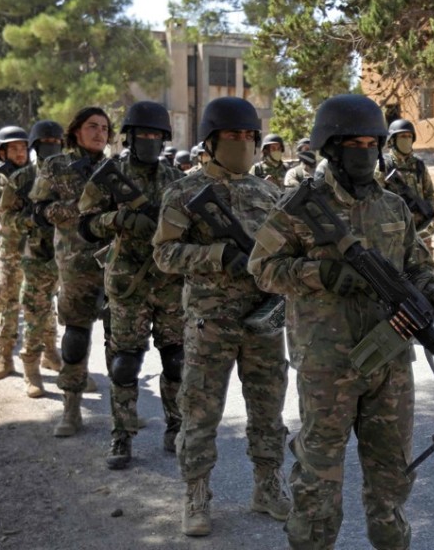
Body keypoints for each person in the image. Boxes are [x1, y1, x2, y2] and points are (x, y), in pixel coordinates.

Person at [250, 93, 434, 550]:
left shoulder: (393, 206)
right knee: (319, 475)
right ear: (331, 147)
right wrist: (320, 273)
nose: (365, 152)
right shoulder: (298, 206)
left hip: (391, 359)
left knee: (393, 471)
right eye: (355, 143)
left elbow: (416, 266)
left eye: (373, 143)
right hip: (328, 364)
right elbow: (261, 267)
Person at [153, 96, 290, 537]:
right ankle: (196, 494)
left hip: (264, 320)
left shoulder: (271, 192)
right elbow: (164, 253)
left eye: (249, 136)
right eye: (233, 136)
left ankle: (267, 485)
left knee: (268, 408)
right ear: (211, 142)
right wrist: (217, 255)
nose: (243, 143)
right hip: (210, 323)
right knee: (200, 411)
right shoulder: (183, 191)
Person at [79, 101, 185, 470]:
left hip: (170, 283)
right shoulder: (110, 174)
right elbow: (86, 224)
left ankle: (177, 426)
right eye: (144, 135)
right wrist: (120, 219)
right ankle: (122, 435)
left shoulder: (175, 179)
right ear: (131, 137)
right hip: (127, 283)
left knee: (177, 359)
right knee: (124, 363)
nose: (150, 141)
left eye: (157, 135)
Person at [31, 107, 113, 437]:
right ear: (76, 131)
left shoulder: (115, 168)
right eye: (92, 126)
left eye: (105, 128)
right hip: (75, 264)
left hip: (114, 264)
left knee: (119, 341)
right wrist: (81, 210)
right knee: (76, 337)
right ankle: (71, 409)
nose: (99, 133)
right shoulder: (56, 165)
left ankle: (122, 417)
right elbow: (40, 210)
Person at [1, 121, 65, 398]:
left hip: (67, 255)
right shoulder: (22, 179)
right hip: (37, 255)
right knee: (35, 313)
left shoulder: (73, 176)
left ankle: (62, 362)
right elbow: (5, 219)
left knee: (65, 314)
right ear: (36, 147)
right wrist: (31, 220)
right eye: (46, 143)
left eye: (57, 143)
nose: (52, 147)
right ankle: (31, 369)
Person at [0, 126, 31, 379]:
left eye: (23, 147)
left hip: (37, 252)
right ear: (2, 152)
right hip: (10, 252)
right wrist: (5, 202)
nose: (20, 152)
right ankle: (5, 357)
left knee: (41, 307)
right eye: (14, 148)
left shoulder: (37, 175)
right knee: (8, 305)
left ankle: (48, 355)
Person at [381, 119, 434, 248]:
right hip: (395, 230)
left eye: (409, 136)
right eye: (402, 136)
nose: (406, 139)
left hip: (420, 228)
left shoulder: (419, 165)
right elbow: (374, 198)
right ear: (392, 140)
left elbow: (430, 193)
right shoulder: (384, 165)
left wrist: (426, 209)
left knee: (424, 264)